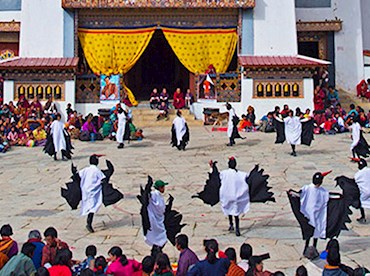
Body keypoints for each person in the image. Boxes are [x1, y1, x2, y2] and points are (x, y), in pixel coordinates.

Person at [300, 172, 331, 258]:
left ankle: (312, 248)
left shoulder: (322, 191)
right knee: (310, 232)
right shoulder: (308, 188)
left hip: (317, 216)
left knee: (315, 232)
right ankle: (307, 247)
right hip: (310, 215)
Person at [218, 157, 249, 236]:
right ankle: (237, 229)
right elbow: (248, 178)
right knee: (236, 213)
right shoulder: (241, 174)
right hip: (236, 196)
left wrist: (212, 167)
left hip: (227, 195)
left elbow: (216, 176)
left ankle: (231, 224)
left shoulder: (224, 173)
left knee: (229, 209)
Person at [79, 155, 107, 233]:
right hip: (93, 192)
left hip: (85, 191)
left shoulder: (85, 169)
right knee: (93, 207)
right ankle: (89, 223)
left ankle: (89, 221)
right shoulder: (97, 170)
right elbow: (103, 179)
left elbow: (78, 175)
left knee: (89, 206)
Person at [145, 180, 168, 257]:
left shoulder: (154, 195)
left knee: (158, 235)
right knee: (160, 235)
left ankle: (156, 249)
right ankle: (156, 250)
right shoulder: (155, 195)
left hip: (157, 218)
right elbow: (160, 207)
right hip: (155, 219)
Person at [354, 158, 370, 223]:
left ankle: (363, 217)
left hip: (364, 192)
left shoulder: (358, 174)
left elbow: (356, 182)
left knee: (360, 202)